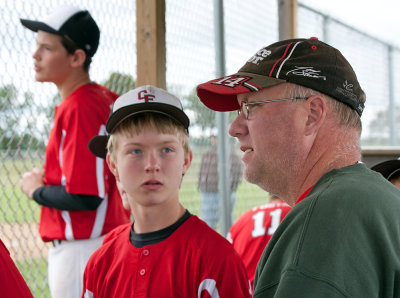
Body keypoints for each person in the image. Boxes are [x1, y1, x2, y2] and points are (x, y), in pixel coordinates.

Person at [196, 37, 400, 297]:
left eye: (250, 106)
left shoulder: (327, 216)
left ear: (312, 115)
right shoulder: (376, 199)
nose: (234, 128)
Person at [82, 85, 251, 297]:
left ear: (186, 161)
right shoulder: (101, 263)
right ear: (113, 165)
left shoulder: (214, 259)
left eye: (166, 150)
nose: (152, 165)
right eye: (135, 150)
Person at [19, 6, 130, 298]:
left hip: (84, 248)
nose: (35, 55)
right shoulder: (102, 97)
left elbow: (87, 196)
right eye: (36, 46)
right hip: (104, 239)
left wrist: (35, 190)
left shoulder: (81, 106)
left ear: (77, 57)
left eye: (47, 47)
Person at [227, 195, 291, 290]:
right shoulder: (297, 213)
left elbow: (228, 266)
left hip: (249, 292)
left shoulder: (243, 220)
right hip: (286, 291)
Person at [198, 135, 243, 229]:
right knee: (208, 223)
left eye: (216, 137)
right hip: (207, 192)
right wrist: (200, 185)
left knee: (226, 221)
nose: (213, 140)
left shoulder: (230, 155)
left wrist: (230, 189)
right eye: (213, 138)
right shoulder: (208, 154)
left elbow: (237, 172)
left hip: (223, 193)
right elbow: (202, 171)